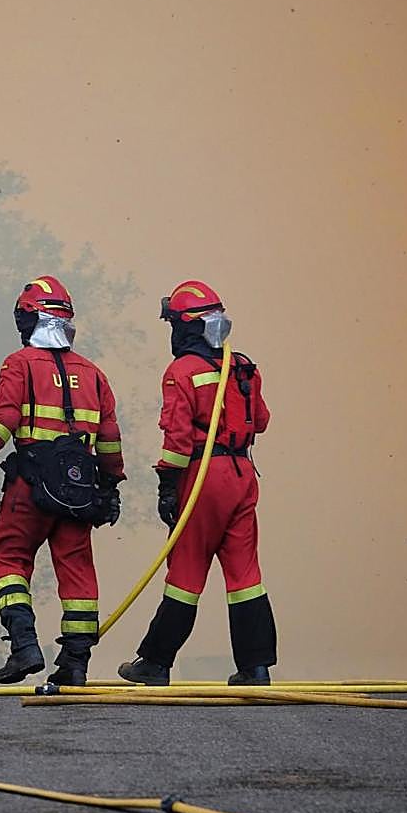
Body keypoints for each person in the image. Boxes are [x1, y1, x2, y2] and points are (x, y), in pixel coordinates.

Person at [0, 276, 125, 686]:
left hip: (30, 487)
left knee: (7, 562)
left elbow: (4, 419)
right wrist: (110, 488)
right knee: (78, 573)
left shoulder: (20, 363)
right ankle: (75, 664)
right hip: (80, 491)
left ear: (31, 319)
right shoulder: (94, 374)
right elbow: (111, 439)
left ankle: (24, 646)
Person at [118, 280, 277, 686]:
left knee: (185, 574)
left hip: (203, 478)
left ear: (186, 327)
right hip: (243, 477)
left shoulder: (181, 371)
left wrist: (167, 488)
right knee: (245, 577)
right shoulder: (244, 366)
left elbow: (177, 440)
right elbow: (260, 421)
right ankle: (255, 668)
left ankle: (155, 662)